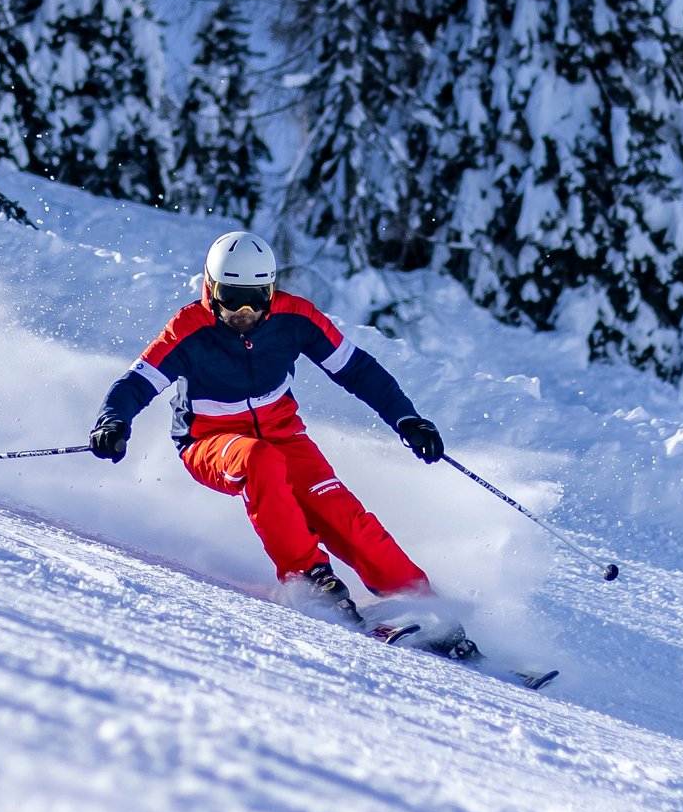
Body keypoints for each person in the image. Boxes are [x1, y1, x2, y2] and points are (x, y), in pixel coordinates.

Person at [89, 232, 470, 649]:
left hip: (283, 433)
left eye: (257, 298)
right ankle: (309, 578)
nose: (245, 312)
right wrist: (113, 421)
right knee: (258, 458)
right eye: (233, 298)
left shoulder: (295, 318)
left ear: (271, 290)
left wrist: (406, 419)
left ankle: (422, 602)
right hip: (210, 441)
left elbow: (358, 369)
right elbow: (136, 383)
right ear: (211, 288)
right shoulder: (189, 329)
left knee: (343, 514)